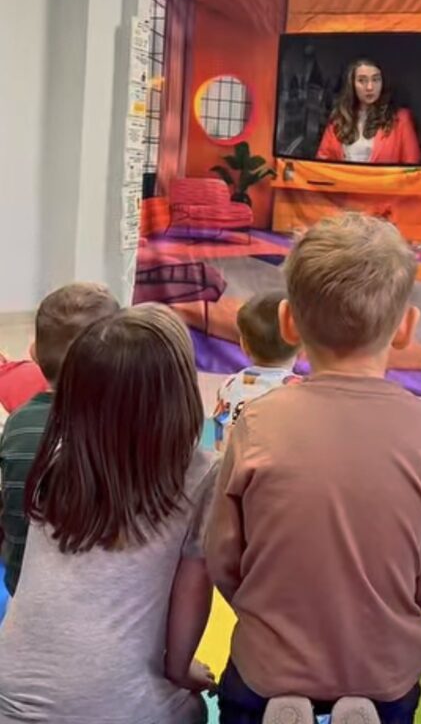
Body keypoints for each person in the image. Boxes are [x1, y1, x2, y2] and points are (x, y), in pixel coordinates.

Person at [206, 213, 421, 724]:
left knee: (247, 679)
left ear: (288, 322)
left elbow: (224, 556)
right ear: (406, 327)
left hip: (268, 667)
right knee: (394, 688)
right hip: (382, 671)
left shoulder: (258, 423)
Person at [0, 304, 218, 724]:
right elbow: (191, 601)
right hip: (112, 708)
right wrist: (182, 671)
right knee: (192, 709)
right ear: (181, 394)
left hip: (9, 694)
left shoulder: (56, 458)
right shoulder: (200, 474)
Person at [0, 283, 119, 597]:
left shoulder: (20, 423)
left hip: (21, 587)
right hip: (106, 593)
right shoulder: (125, 425)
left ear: (34, 353)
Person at [213, 291, 301, 450]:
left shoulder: (228, 384)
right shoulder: (301, 390)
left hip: (228, 462)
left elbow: (218, 430)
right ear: (301, 345)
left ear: (244, 345)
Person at [316, 59, 421, 165]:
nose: (370, 87)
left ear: (383, 82)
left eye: (375, 80)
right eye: (362, 80)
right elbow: (322, 164)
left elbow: (412, 167)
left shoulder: (400, 119)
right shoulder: (339, 119)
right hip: (343, 176)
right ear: (352, 84)